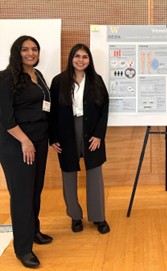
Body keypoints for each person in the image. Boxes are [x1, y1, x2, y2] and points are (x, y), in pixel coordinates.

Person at [0, 36, 53, 268]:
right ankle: (23, 249)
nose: (30, 53)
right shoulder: (5, 77)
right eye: (25, 49)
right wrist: (24, 141)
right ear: (16, 52)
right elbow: (5, 117)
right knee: (21, 195)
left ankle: (33, 231)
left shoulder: (37, 75)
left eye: (34, 49)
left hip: (39, 140)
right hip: (17, 143)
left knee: (35, 190)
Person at [49, 43, 110, 235]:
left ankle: (98, 217)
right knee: (68, 173)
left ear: (89, 60)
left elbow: (104, 109)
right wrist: (53, 138)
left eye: (85, 57)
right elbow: (51, 111)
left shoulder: (96, 80)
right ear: (71, 58)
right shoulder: (59, 81)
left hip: (91, 132)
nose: (81, 60)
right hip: (66, 131)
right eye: (77, 56)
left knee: (94, 174)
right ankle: (75, 216)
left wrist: (99, 135)